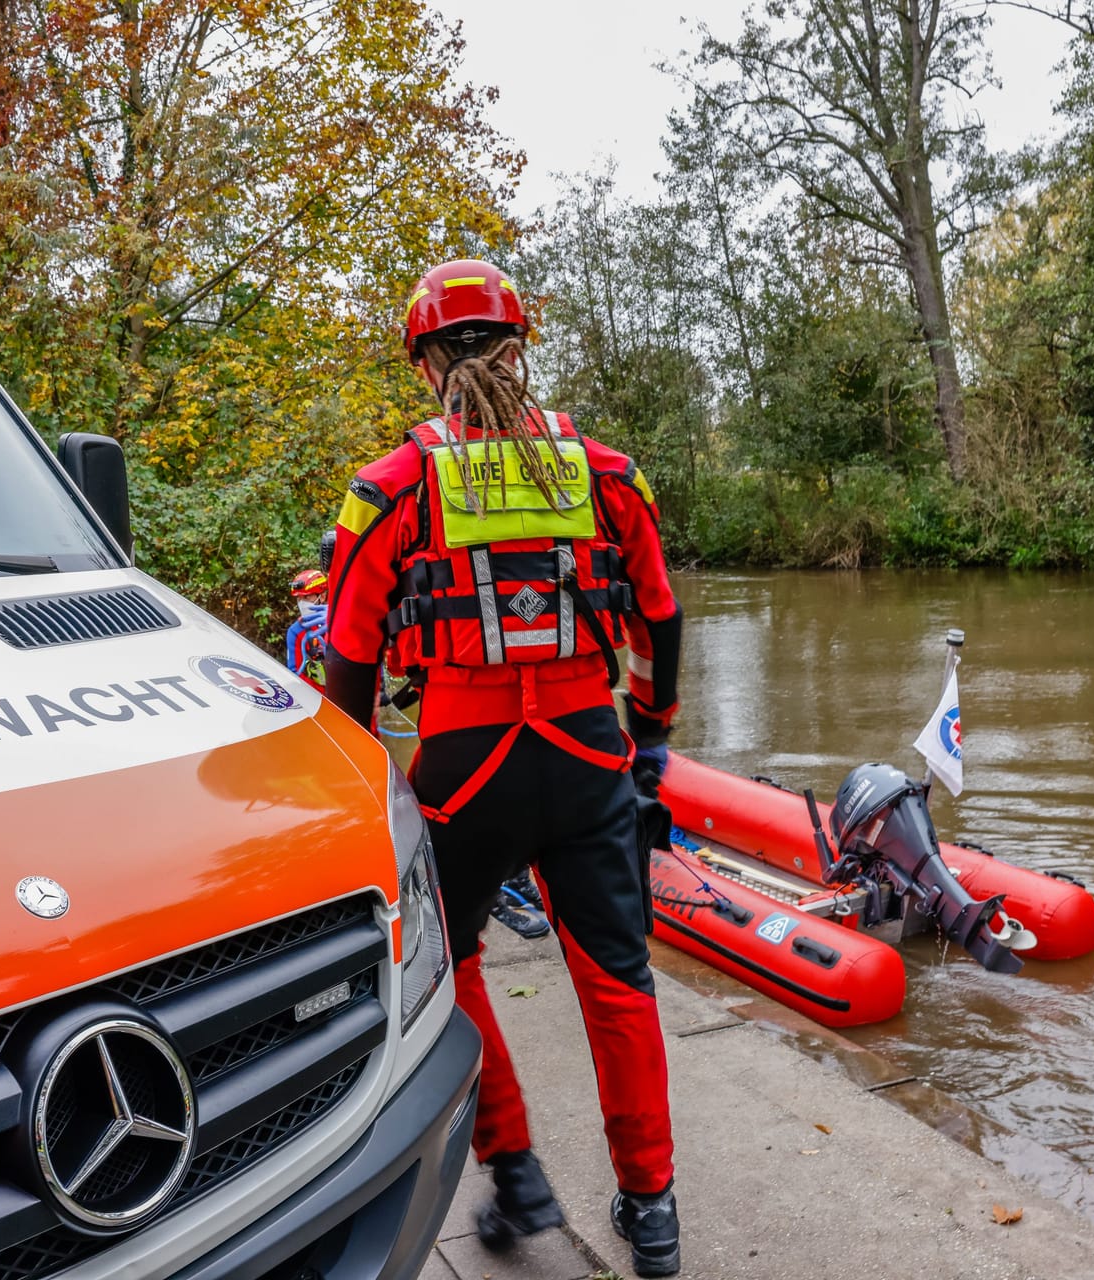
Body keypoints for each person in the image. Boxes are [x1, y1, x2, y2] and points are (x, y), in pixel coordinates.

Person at [321, 259, 685, 1278]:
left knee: (454, 963)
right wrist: (647, 739)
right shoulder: (608, 476)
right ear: (520, 351)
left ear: (428, 364)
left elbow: (348, 661)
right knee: (617, 977)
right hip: (586, 753)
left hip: (463, 768)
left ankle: (516, 1168)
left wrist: (367, 788)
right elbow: (659, 617)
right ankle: (651, 1210)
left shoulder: (388, 489)